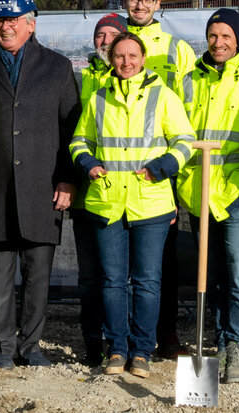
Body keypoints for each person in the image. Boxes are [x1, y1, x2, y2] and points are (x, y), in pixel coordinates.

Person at [0, 0, 80, 368]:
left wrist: (67, 178)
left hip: (44, 188)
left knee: (37, 274)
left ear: (30, 23)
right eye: (0, 20)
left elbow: (71, 130)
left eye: (12, 20)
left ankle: (31, 347)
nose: (5, 27)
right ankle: (1, 347)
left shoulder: (58, 68)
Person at [71, 32, 195, 376]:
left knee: (147, 281)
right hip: (108, 201)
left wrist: (163, 168)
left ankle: (142, 351)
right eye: (119, 56)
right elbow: (80, 140)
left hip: (150, 202)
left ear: (143, 59)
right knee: (112, 280)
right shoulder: (97, 98)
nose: (126, 63)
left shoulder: (163, 96)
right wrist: (87, 163)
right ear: (111, 60)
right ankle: (117, 348)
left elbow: (184, 141)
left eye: (132, 56)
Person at [177, 9, 239, 383]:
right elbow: (177, 131)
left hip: (238, 188)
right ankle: (220, 339)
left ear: (238, 39)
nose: (219, 42)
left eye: (226, 35)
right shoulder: (191, 80)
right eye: (213, 35)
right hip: (199, 189)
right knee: (208, 274)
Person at [121, 0, 198, 352]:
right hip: (119, 169)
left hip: (161, 169)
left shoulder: (176, 48)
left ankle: (165, 334)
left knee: (163, 260)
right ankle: (122, 337)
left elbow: (186, 108)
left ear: (158, 5)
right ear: (125, 2)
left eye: (147, 0)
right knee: (121, 266)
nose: (140, 6)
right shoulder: (114, 45)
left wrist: (172, 164)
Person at [73, 11, 125, 364]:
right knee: (90, 273)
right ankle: (92, 339)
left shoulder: (130, 78)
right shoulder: (79, 77)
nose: (104, 41)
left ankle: (117, 338)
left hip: (121, 195)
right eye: (99, 35)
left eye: (111, 35)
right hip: (83, 191)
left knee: (117, 275)